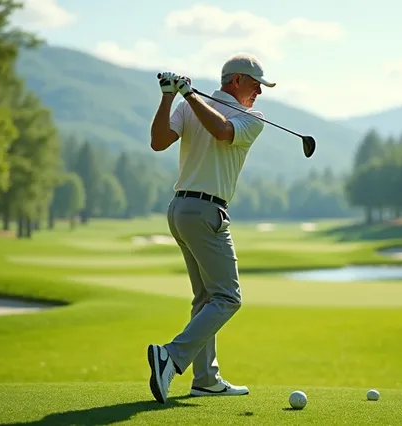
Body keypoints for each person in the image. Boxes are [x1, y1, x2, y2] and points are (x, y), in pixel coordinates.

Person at [146, 53, 276, 404]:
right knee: (228, 297)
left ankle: (206, 379)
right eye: (255, 85)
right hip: (204, 211)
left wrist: (187, 96)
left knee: (205, 298)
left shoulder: (251, 118)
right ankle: (171, 356)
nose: (259, 94)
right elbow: (159, 142)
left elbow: (222, 130)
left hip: (182, 210)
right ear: (235, 81)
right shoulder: (195, 105)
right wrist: (168, 95)